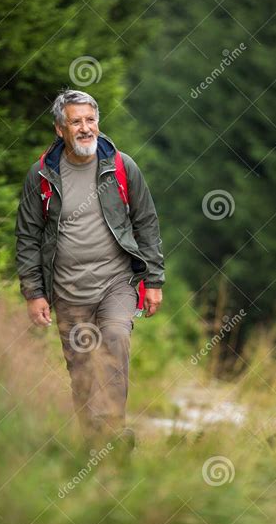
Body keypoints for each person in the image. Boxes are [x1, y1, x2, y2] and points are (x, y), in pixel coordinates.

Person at [15, 90, 164, 451]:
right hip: (68, 289)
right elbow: (28, 236)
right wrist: (34, 293)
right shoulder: (41, 176)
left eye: (90, 120)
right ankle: (91, 442)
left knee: (115, 339)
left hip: (117, 282)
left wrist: (154, 280)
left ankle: (113, 430)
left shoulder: (122, 166)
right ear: (60, 129)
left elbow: (146, 222)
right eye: (76, 121)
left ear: (98, 122)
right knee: (81, 367)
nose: (85, 128)